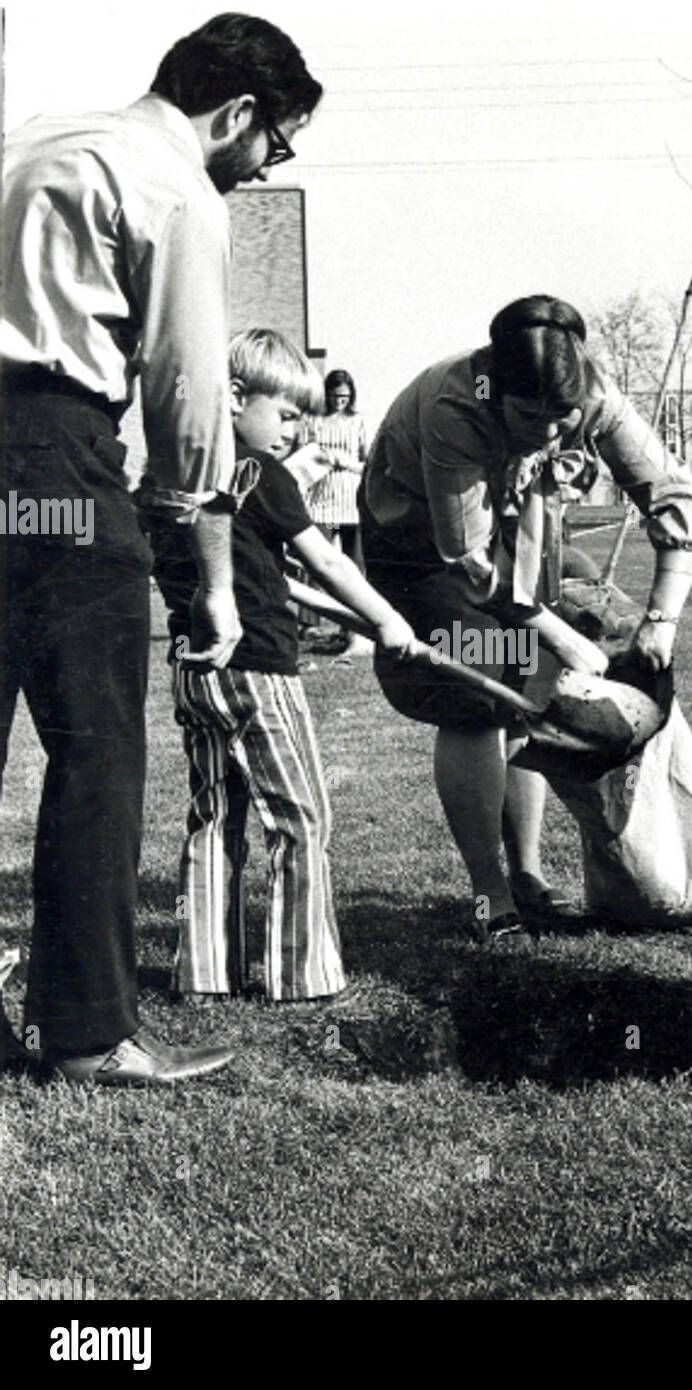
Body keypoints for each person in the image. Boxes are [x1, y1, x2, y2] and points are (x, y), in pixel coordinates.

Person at [0, 14, 323, 1083]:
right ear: (235, 114)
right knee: (95, 748)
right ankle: (89, 1031)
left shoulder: (33, 139)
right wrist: (197, 543)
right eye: (275, 143)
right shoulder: (174, 183)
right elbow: (190, 393)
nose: (269, 163)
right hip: (54, 457)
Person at [359, 294, 692, 941]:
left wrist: (662, 618)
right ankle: (491, 897)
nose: (549, 434)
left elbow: (674, 498)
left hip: (517, 530)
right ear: (497, 390)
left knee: (531, 691)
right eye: (529, 417)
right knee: (477, 689)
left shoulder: (597, 396)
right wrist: (565, 636)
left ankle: (529, 877)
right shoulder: (453, 405)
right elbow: (466, 557)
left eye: (562, 419)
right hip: (418, 541)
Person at [144, 329, 417, 1001]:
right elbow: (323, 558)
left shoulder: (173, 472)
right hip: (260, 669)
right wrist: (386, 619)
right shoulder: (256, 472)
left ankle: (206, 973)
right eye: (288, 414)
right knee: (302, 818)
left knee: (214, 816)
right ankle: (303, 975)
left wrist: (357, 619)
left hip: (194, 669)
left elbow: (270, 572)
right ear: (235, 399)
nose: (295, 432)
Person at [301, 369, 372, 657]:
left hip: (351, 500)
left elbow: (367, 463)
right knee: (313, 559)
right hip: (320, 498)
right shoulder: (313, 420)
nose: (340, 401)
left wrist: (345, 462)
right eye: (334, 396)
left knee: (355, 564)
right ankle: (307, 623)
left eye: (345, 397)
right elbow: (303, 454)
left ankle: (356, 622)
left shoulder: (359, 422)